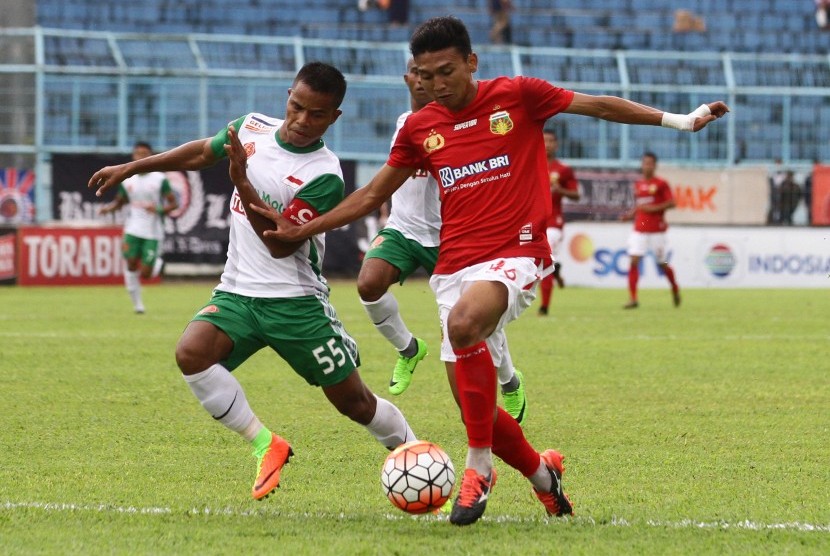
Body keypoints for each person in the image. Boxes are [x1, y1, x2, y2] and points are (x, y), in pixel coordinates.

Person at [249, 17, 728, 525]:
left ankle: (478, 467)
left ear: (472, 62)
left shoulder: (518, 96)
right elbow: (372, 195)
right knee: (475, 409)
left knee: (463, 326)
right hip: (455, 264)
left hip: (517, 251)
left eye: (446, 71)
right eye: (425, 74)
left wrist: (681, 121)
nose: (436, 83)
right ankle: (545, 477)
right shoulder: (419, 128)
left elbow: (601, 105)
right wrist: (304, 229)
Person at [89, 62, 416, 502]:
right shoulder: (253, 127)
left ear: (334, 118)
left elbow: (278, 244)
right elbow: (201, 152)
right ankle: (266, 443)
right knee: (192, 353)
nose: (302, 120)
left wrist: (241, 180)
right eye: (296, 106)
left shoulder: (325, 174)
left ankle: (417, 454)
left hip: (295, 303)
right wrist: (133, 169)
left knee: (354, 403)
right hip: (238, 293)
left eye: (316, 114)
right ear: (288, 95)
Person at [358, 58, 528, 425]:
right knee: (368, 284)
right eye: (417, 75)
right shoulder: (404, 124)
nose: (423, 82)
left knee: (472, 325)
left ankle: (510, 382)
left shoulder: (456, 123)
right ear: (407, 79)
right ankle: (408, 348)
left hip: (451, 237)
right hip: (403, 229)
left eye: (430, 75)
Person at [98, 141, 178, 314]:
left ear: (151, 156)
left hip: (153, 231)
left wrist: (157, 209)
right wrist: (108, 208)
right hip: (133, 228)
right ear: (133, 156)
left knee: (147, 274)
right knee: (131, 264)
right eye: (138, 153)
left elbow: (173, 204)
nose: (141, 156)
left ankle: (158, 263)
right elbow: (120, 202)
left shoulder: (159, 179)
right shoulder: (127, 181)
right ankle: (137, 305)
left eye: (145, 153)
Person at [620, 152, 681, 309]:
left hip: (657, 230)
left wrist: (652, 209)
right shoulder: (638, 185)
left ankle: (674, 288)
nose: (647, 166)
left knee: (662, 263)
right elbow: (640, 206)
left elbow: (672, 203)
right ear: (642, 165)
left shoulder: (661, 184)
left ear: (655, 166)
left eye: (650, 163)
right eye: (645, 163)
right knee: (634, 260)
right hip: (639, 229)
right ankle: (633, 298)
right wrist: (630, 215)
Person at [538, 128, 580, 316]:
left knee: (543, 261)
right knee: (537, 262)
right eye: (544, 140)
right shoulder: (530, 163)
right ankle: (556, 270)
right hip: (533, 220)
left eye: (551, 141)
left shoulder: (563, 169)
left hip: (554, 221)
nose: (547, 145)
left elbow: (576, 195)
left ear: (557, 145)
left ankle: (544, 307)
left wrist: (560, 189)